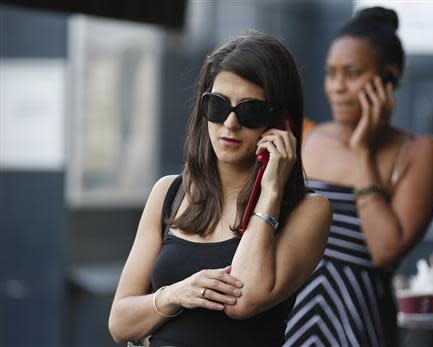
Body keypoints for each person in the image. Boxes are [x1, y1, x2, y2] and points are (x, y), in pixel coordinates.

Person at [109, 31, 332, 347]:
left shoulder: (308, 210)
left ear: (281, 124)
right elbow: (120, 322)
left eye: (249, 111)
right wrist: (177, 293)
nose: (229, 123)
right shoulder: (169, 194)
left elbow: (243, 299)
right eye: (217, 105)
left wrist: (270, 191)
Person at [284, 7, 433, 347]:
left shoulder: (418, 151)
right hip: (288, 320)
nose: (337, 87)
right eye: (331, 73)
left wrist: (362, 152)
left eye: (351, 73)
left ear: (389, 77)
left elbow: (385, 250)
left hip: (359, 324)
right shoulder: (307, 138)